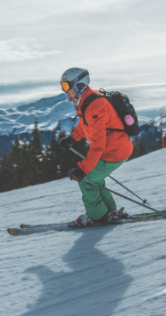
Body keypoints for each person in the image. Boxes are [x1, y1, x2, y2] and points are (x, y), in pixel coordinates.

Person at [58, 67, 134, 228]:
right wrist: (72, 138)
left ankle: (97, 217)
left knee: (86, 181)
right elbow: (84, 126)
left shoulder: (94, 106)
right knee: (96, 179)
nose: (64, 91)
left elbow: (98, 147)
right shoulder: (86, 101)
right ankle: (110, 211)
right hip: (116, 149)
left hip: (114, 152)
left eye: (66, 86)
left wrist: (82, 169)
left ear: (78, 85)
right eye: (62, 86)